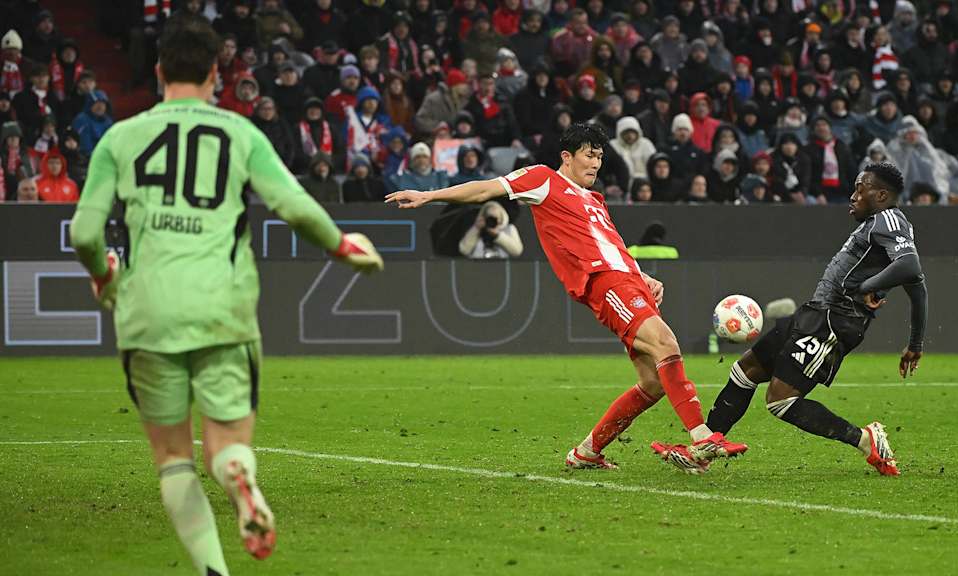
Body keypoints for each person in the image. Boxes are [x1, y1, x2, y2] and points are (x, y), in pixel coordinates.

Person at [68, 17, 383, 576]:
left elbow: (86, 234)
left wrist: (101, 277)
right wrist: (341, 245)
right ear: (216, 74)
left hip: (147, 314)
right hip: (222, 310)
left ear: (161, 71)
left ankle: (214, 570)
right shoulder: (241, 134)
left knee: (172, 461)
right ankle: (240, 479)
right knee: (226, 446)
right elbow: (294, 206)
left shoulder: (120, 137)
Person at [387, 122, 748, 474]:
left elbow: (613, 245)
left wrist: (643, 275)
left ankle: (587, 452)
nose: (595, 163)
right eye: (589, 155)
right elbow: (486, 189)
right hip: (603, 283)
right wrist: (430, 195)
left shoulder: (594, 200)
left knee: (653, 383)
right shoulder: (544, 180)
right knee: (666, 342)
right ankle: (701, 436)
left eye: (600, 157)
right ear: (567, 156)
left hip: (628, 280)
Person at [705, 162, 927, 478]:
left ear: (880, 195)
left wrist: (866, 286)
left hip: (835, 321)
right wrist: (915, 342)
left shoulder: (889, 219)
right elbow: (917, 287)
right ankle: (707, 447)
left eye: (859, 190)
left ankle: (866, 440)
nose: (852, 197)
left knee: (780, 401)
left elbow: (910, 267)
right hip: (816, 312)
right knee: (746, 369)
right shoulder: (876, 225)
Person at [458, 200, 523, 258]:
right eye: (489, 218)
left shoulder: (509, 229)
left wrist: (498, 236)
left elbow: (517, 251)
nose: (491, 222)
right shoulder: (477, 228)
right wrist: (476, 229)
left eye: (494, 219)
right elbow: (464, 250)